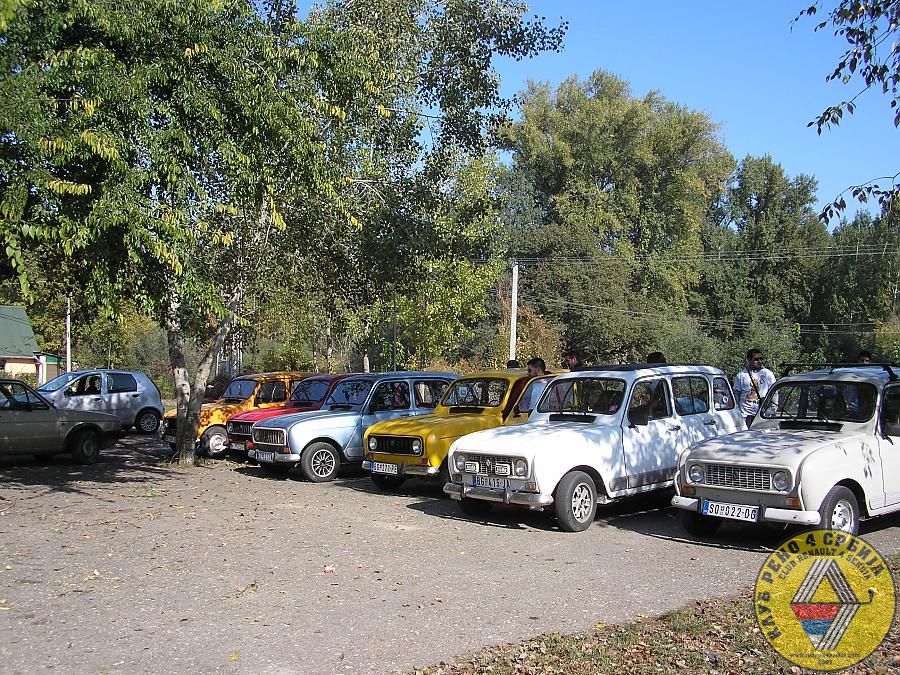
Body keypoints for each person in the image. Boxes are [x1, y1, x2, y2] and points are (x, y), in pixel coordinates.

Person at [733, 348, 776, 429]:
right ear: (749, 360)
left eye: (761, 359)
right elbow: (736, 394)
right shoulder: (741, 375)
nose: (759, 361)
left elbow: (774, 393)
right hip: (745, 414)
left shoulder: (768, 374)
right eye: (756, 359)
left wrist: (773, 409)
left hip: (762, 414)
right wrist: (737, 411)